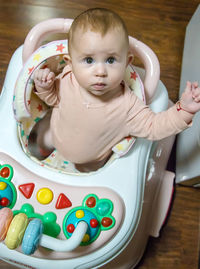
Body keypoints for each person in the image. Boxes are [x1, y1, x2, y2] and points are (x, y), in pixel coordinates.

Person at [33, 8, 200, 172]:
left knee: (90, 172)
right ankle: (42, 149)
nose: (100, 72)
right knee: (44, 140)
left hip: (91, 160)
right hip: (55, 136)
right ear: (70, 63)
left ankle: (83, 169)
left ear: (127, 63)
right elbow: (52, 99)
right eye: (89, 60)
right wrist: (44, 85)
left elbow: (154, 127)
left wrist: (184, 110)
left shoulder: (128, 106)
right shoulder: (66, 78)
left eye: (111, 60)